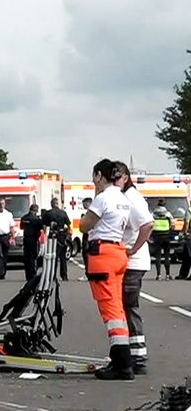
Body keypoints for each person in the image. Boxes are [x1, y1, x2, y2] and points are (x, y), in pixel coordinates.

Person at [79, 159, 133, 380]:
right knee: (118, 310)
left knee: (111, 312)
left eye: (94, 176)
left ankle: (122, 364)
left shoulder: (102, 199)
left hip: (102, 254)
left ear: (99, 175)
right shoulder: (123, 198)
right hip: (118, 252)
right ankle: (122, 358)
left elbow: (84, 225)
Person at [114, 162, 154, 375]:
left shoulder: (132, 198)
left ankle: (138, 357)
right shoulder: (125, 197)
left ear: (126, 177)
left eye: (117, 176)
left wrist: (132, 249)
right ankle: (132, 353)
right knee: (124, 307)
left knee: (129, 307)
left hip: (133, 262)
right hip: (127, 261)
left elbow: (148, 225)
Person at [42, 197, 71, 281]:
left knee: (53, 257)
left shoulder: (48, 214)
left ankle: (53, 276)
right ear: (57, 204)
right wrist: (68, 235)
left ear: (51, 204)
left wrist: (46, 235)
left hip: (52, 237)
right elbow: (69, 225)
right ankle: (64, 275)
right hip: (62, 236)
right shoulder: (63, 213)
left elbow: (44, 226)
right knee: (63, 258)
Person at [150, 199, 175, 280]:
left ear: (158, 204)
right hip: (166, 235)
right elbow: (173, 225)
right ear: (164, 205)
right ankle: (167, 275)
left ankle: (158, 275)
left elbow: (150, 223)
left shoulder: (153, 213)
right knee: (167, 256)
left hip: (157, 236)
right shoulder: (168, 214)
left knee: (158, 256)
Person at [20, 204, 44, 281]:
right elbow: (42, 228)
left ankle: (28, 275)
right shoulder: (36, 219)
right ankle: (33, 274)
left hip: (26, 240)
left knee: (27, 258)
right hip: (34, 240)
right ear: (36, 210)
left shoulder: (24, 218)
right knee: (33, 257)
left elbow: (21, 227)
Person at [78, 197, 93, 281]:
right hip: (87, 235)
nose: (83, 205)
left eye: (84, 204)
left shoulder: (90, 213)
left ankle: (88, 274)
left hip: (88, 235)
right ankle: (88, 273)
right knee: (86, 255)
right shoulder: (88, 213)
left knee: (86, 255)